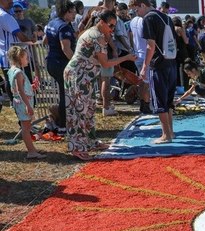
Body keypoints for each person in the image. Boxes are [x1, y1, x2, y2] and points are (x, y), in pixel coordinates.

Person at [64, 10, 137, 160]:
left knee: (89, 109)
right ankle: (78, 147)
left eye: (114, 27)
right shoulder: (97, 37)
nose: (112, 29)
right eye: (110, 25)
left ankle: (90, 141)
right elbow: (105, 63)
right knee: (79, 111)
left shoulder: (94, 33)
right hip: (79, 76)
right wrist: (126, 58)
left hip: (83, 76)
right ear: (102, 22)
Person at [133, 0, 178, 144]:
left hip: (158, 64)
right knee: (168, 100)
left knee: (159, 100)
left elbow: (150, 46)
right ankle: (170, 131)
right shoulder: (166, 17)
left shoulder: (148, 18)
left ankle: (166, 134)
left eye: (136, 10)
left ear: (143, 5)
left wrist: (145, 66)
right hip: (171, 62)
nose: (136, 13)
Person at [44, 0, 76, 130]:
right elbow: (66, 49)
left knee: (64, 93)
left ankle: (59, 120)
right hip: (60, 63)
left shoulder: (51, 23)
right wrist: (76, 63)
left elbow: (45, 41)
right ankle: (63, 125)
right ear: (66, 12)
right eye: (72, 12)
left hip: (51, 61)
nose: (74, 14)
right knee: (65, 94)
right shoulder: (64, 27)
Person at [7, 46, 44, 159]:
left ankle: (32, 150)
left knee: (26, 127)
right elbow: (20, 90)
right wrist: (28, 106)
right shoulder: (18, 73)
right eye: (26, 58)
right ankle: (31, 151)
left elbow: (20, 88)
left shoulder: (11, 70)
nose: (28, 60)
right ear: (20, 58)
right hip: (23, 103)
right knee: (26, 128)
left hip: (20, 101)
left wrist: (32, 87)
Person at [0, 0, 31, 101]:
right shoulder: (4, 16)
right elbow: (20, 36)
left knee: (11, 82)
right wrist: (31, 42)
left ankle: (16, 104)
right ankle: (19, 104)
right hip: (12, 55)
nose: (11, 1)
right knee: (15, 82)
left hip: (5, 54)